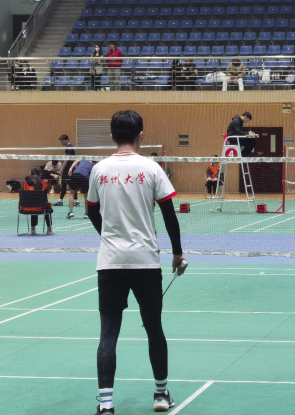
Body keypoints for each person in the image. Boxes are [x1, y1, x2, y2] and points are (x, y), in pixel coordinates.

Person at [87, 110, 185, 415]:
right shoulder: (152, 168)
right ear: (141, 135)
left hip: (110, 262)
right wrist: (177, 253)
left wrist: (108, 237)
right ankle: (161, 395)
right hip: (145, 262)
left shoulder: (99, 170)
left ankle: (106, 404)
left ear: (112, 136)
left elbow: (91, 210)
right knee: (154, 328)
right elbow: (169, 214)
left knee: (108, 333)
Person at [23, 167, 54, 235]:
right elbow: (45, 196)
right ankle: (49, 230)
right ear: (40, 173)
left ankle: (33, 229)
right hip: (40, 206)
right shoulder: (43, 182)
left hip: (26, 207)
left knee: (33, 204)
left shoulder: (25, 182)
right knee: (46, 208)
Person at [53, 135, 80, 207]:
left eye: (62, 141)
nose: (61, 142)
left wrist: (61, 169)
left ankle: (74, 201)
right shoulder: (69, 147)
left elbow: (66, 159)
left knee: (69, 185)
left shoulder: (69, 147)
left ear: (67, 140)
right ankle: (62, 200)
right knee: (67, 185)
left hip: (68, 169)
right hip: (69, 169)